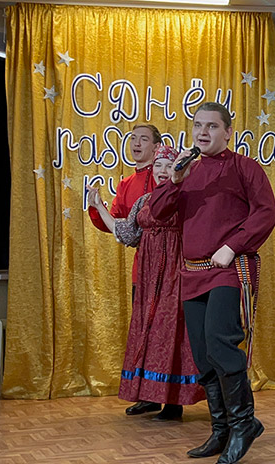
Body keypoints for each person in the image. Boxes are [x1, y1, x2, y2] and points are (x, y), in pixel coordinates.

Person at [149, 102, 275, 464]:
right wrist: (174, 181)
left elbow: (266, 213)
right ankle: (221, 429)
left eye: (212, 126)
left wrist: (232, 245)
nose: (203, 132)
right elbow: (156, 213)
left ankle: (242, 424)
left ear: (228, 132)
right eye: (198, 126)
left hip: (229, 269)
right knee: (203, 354)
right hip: (192, 272)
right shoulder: (186, 170)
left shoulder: (244, 168)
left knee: (221, 345)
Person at [88, 146, 205, 421]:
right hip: (149, 277)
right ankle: (152, 396)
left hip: (177, 274)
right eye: (158, 166)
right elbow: (127, 234)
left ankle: (174, 403)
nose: (162, 171)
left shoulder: (186, 197)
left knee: (174, 333)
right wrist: (99, 206)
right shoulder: (144, 201)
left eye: (168, 165)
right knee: (151, 333)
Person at [87, 124, 162, 416]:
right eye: (133, 138)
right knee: (144, 332)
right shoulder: (127, 183)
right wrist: (96, 207)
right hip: (141, 270)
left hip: (168, 269)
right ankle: (149, 395)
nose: (136, 143)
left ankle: (171, 398)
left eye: (143, 139)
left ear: (156, 147)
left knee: (165, 333)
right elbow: (117, 225)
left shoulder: (165, 178)